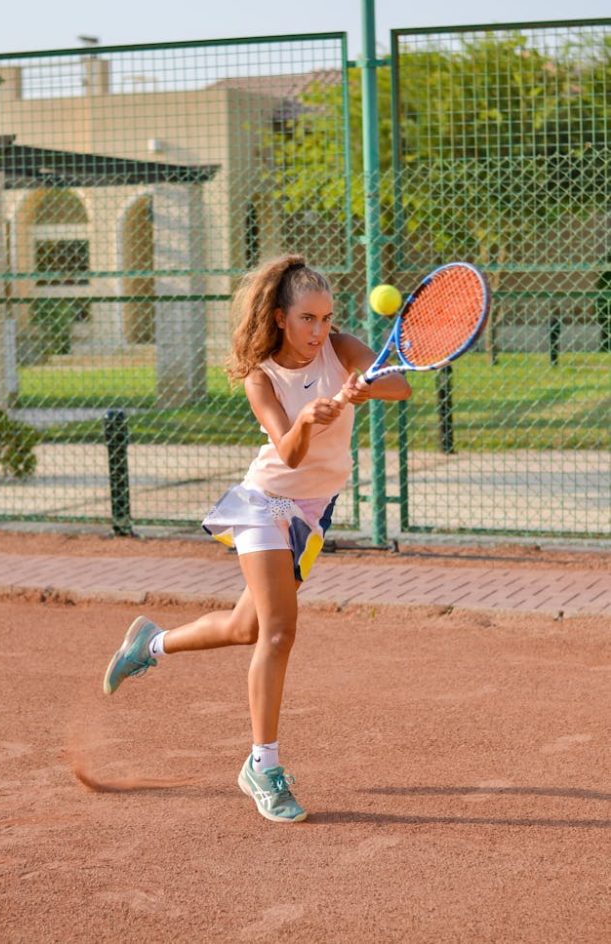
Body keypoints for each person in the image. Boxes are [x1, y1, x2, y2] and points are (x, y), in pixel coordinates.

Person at [103, 254, 411, 823]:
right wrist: (309, 419)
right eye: (307, 319)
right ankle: (261, 765)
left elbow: (401, 387)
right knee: (278, 633)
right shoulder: (260, 374)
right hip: (266, 503)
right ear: (278, 317)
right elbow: (289, 453)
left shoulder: (340, 348)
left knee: (247, 627)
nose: (320, 329)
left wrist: (364, 386)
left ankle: (149, 645)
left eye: (326, 317)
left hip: (313, 511)